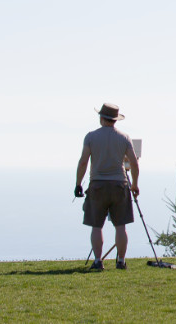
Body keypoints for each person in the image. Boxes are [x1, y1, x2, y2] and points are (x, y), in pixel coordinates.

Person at [75, 103, 140, 270]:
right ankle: (121, 261)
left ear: (102, 118)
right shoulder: (124, 138)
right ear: (115, 120)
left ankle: (98, 261)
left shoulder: (90, 137)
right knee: (120, 226)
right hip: (119, 185)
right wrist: (135, 185)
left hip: (98, 185)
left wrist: (77, 184)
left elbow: (83, 162)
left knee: (96, 226)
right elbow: (133, 163)